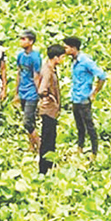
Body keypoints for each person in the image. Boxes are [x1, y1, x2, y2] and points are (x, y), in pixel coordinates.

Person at [64, 36, 106, 157]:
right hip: (75, 97)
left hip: (84, 98)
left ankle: (94, 151)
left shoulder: (85, 61)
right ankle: (80, 148)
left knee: (89, 126)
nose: (65, 50)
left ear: (73, 48)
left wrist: (94, 93)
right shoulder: (74, 61)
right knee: (79, 126)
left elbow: (102, 76)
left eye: (66, 47)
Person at [37, 44, 65, 174]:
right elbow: (42, 89)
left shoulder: (49, 67)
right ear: (56, 58)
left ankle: (48, 166)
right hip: (48, 109)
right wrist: (51, 98)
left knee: (50, 138)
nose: (63, 60)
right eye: (62, 57)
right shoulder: (48, 70)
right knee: (48, 140)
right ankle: (44, 168)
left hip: (51, 110)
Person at [14, 30, 43, 154]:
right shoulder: (20, 56)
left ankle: (41, 146)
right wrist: (16, 92)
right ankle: (32, 146)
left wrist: (40, 95)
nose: (21, 41)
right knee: (31, 121)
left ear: (31, 42)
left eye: (24, 39)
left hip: (32, 92)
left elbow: (37, 77)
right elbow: (19, 73)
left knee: (27, 122)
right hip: (23, 91)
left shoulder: (35, 57)